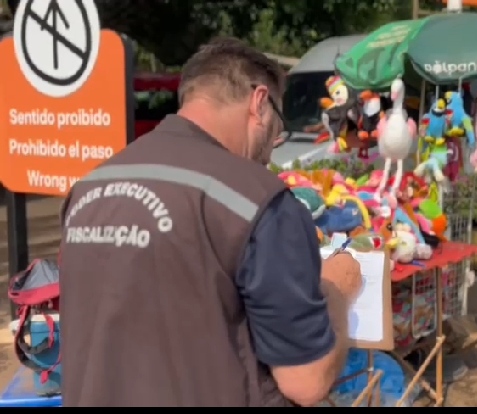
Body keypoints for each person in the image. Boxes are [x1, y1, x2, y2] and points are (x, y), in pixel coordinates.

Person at [58, 37, 362, 407]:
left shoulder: (89, 189)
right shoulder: (258, 200)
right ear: (259, 103)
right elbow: (307, 381)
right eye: (276, 129)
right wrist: (336, 292)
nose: (271, 149)